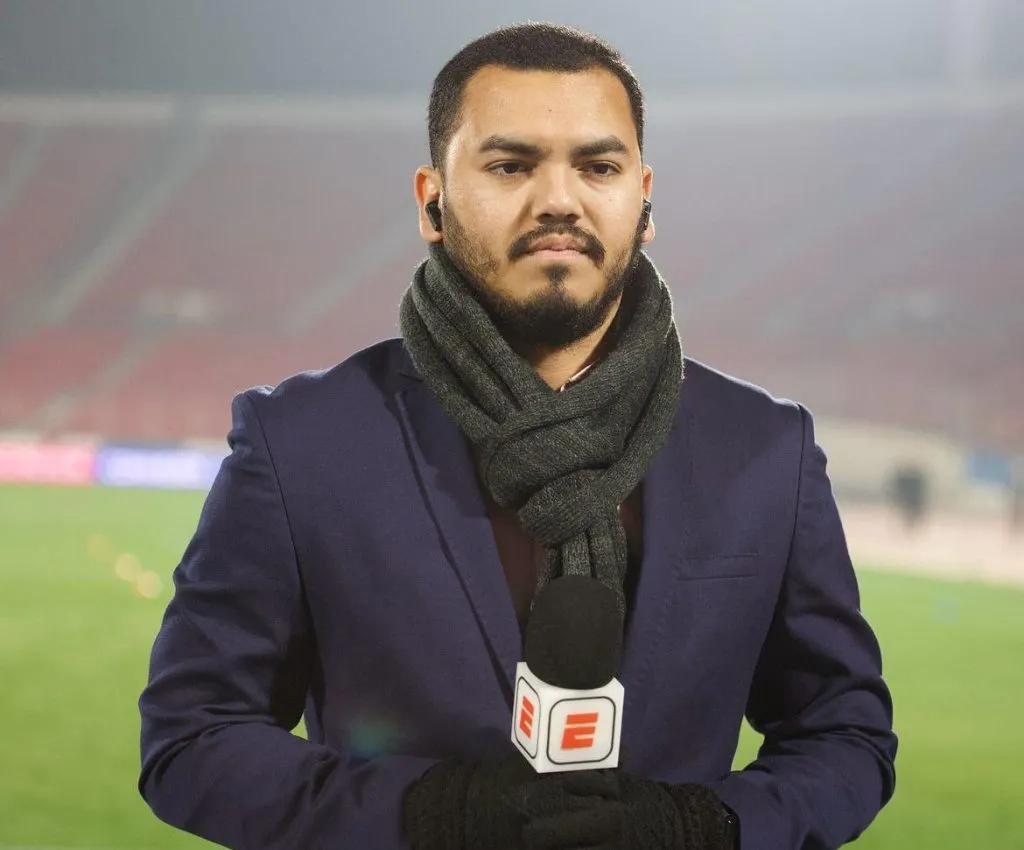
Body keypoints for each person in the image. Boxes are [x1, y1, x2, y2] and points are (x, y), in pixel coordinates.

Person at [138, 22, 897, 850]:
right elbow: (192, 738)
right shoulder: (301, 442)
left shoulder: (766, 450)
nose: (559, 200)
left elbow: (845, 737)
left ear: (644, 200)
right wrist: (428, 814)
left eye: (598, 167)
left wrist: (703, 828)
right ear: (432, 201)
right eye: (511, 165)